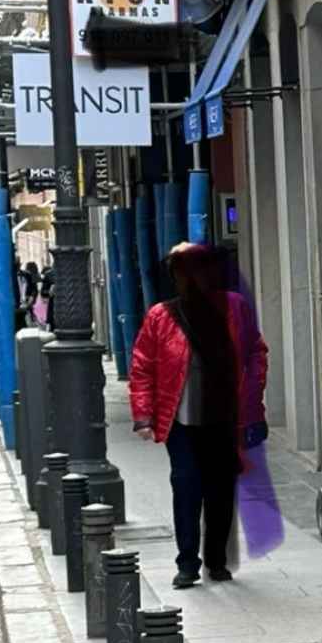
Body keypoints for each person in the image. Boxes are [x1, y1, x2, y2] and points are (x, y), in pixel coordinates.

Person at [129, 244, 269, 588]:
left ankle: (217, 561)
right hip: (182, 422)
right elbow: (143, 366)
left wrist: (251, 397)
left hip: (225, 419)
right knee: (187, 485)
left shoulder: (234, 308)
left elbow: (255, 351)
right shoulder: (161, 316)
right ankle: (188, 562)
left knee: (221, 490)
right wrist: (144, 415)